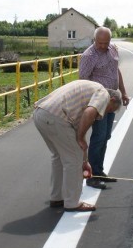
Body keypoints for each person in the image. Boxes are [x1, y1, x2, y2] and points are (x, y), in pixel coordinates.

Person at [33, 79, 122, 212]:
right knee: (73, 160)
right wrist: (80, 141)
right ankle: (72, 202)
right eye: (109, 110)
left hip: (41, 114)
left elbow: (78, 134)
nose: (104, 114)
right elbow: (89, 113)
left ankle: (57, 197)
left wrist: (85, 160)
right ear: (112, 99)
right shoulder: (103, 93)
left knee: (59, 157)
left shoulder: (89, 89)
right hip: (57, 118)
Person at [78, 26, 130, 189]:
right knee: (99, 136)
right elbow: (83, 80)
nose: (103, 46)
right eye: (100, 43)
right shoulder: (89, 55)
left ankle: (99, 171)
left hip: (112, 100)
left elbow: (116, 71)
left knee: (106, 135)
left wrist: (123, 92)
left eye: (106, 43)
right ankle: (92, 176)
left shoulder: (113, 49)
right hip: (99, 101)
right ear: (94, 40)